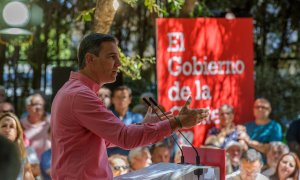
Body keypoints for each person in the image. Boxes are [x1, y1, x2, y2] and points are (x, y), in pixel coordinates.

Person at [50, 33, 209, 180]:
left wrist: (143, 126)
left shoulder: (75, 92)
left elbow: (103, 139)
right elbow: (124, 138)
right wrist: (178, 122)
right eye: (112, 57)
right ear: (90, 59)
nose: (118, 64)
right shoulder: (80, 95)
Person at [0, 112, 34, 180]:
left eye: (12, 127)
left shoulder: (24, 155)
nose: (7, 130)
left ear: (17, 133)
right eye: (4, 126)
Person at [21, 93, 51, 159]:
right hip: (29, 165)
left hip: (49, 165)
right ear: (28, 107)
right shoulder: (21, 124)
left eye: (41, 104)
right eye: (35, 104)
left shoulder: (51, 121)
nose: (39, 107)